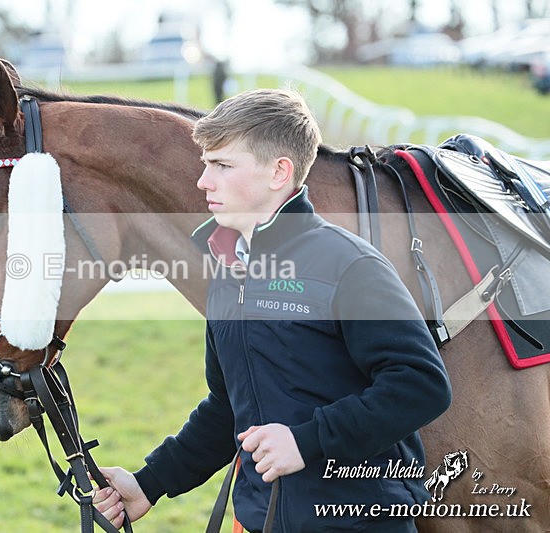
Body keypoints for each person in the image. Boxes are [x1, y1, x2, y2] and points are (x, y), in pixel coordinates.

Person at [93, 88, 452, 532]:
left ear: (279, 172)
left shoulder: (349, 265)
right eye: (207, 165)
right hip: (260, 520)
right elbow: (229, 409)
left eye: (222, 165)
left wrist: (306, 442)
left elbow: (422, 385)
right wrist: (149, 483)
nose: (204, 181)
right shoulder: (227, 275)